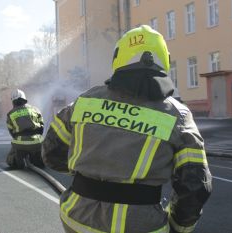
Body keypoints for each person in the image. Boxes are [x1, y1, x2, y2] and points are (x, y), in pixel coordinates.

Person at [42, 25, 212, 233]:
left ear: (118, 58)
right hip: (143, 225)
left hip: (78, 219)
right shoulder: (179, 115)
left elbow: (51, 152)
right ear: (165, 61)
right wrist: (178, 227)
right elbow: (195, 184)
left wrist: (88, 171)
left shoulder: (85, 101)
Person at [6, 89, 44, 169]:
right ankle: (37, 159)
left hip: (20, 143)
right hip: (37, 142)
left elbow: (11, 131)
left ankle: (17, 161)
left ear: (13, 101)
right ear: (24, 99)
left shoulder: (11, 113)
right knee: (39, 162)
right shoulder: (35, 109)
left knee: (11, 160)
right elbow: (41, 127)